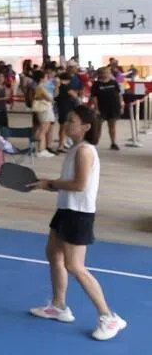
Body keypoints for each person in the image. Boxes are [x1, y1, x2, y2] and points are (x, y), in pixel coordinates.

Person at [29, 105, 125, 341]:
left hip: (79, 214)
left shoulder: (85, 151)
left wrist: (49, 184)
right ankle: (59, 306)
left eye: (72, 120)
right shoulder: (75, 149)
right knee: (53, 254)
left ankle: (109, 316)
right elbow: (73, 184)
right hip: (66, 210)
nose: (67, 123)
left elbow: (80, 184)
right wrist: (51, 185)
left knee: (75, 266)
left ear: (85, 126)